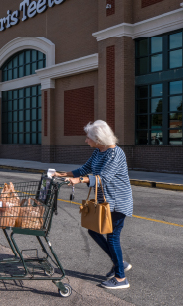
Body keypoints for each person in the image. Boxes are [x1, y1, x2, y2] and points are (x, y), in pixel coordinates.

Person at [53, 120, 133, 290]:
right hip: (105, 201)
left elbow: (103, 178)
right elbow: (84, 169)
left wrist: (78, 180)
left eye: (88, 137)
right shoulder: (98, 151)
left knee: (112, 237)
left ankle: (120, 278)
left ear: (98, 138)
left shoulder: (115, 153)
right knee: (93, 230)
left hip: (118, 202)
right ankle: (118, 262)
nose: (86, 140)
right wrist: (61, 174)